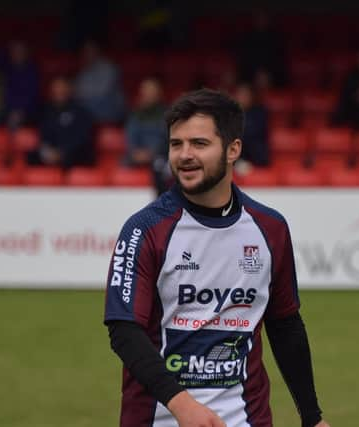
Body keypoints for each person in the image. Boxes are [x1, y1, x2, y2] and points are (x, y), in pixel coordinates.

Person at [104, 89, 330, 427]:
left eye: (199, 143)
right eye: (176, 144)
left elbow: (285, 326)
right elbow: (124, 330)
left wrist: (312, 418)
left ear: (233, 149)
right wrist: (183, 405)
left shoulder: (270, 228)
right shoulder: (145, 230)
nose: (184, 155)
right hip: (162, 419)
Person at [27, 77, 95, 169]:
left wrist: (62, 152)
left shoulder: (80, 112)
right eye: (56, 88)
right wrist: (48, 151)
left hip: (73, 154)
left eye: (62, 87)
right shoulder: (46, 110)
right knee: (32, 156)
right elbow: (44, 135)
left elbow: (82, 137)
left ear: (69, 89)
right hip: (52, 153)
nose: (59, 91)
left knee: (81, 153)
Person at [124, 78, 170, 194]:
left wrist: (152, 153)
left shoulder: (168, 114)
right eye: (145, 92)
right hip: (136, 157)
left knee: (161, 165)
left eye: (151, 92)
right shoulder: (135, 115)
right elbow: (131, 138)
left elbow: (167, 139)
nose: (148, 95)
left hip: (160, 156)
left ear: (159, 94)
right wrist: (135, 152)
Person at [0, 40, 40, 129]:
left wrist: (20, 112)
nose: (16, 54)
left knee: (13, 124)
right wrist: (6, 48)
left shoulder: (32, 71)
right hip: (8, 109)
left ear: (25, 53)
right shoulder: (9, 67)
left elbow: (32, 96)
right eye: (14, 52)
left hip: (26, 112)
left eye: (19, 51)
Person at [73, 40, 125, 123]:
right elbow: (75, 91)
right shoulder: (84, 71)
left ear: (97, 51)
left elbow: (101, 93)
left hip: (110, 109)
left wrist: (79, 94)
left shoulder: (108, 68)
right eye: (85, 51)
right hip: (90, 108)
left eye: (90, 50)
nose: (87, 54)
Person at [234, 83, 270, 168]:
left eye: (245, 95)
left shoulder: (259, 113)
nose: (242, 98)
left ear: (251, 97)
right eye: (240, 94)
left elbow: (255, 134)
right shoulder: (231, 114)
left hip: (256, 157)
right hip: (236, 157)